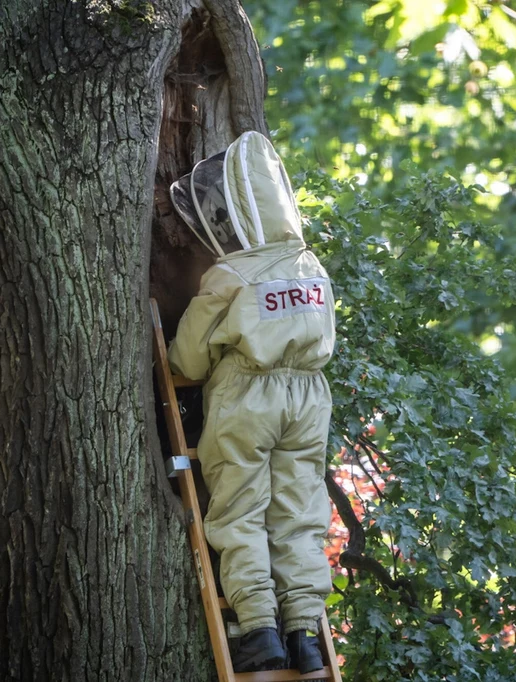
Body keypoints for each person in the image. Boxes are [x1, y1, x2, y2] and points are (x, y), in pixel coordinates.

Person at [167, 131, 334, 674]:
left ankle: (260, 628)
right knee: (299, 514)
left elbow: (187, 363)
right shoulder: (313, 270)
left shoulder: (232, 273)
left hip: (249, 396)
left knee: (240, 511)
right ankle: (306, 634)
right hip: (309, 398)